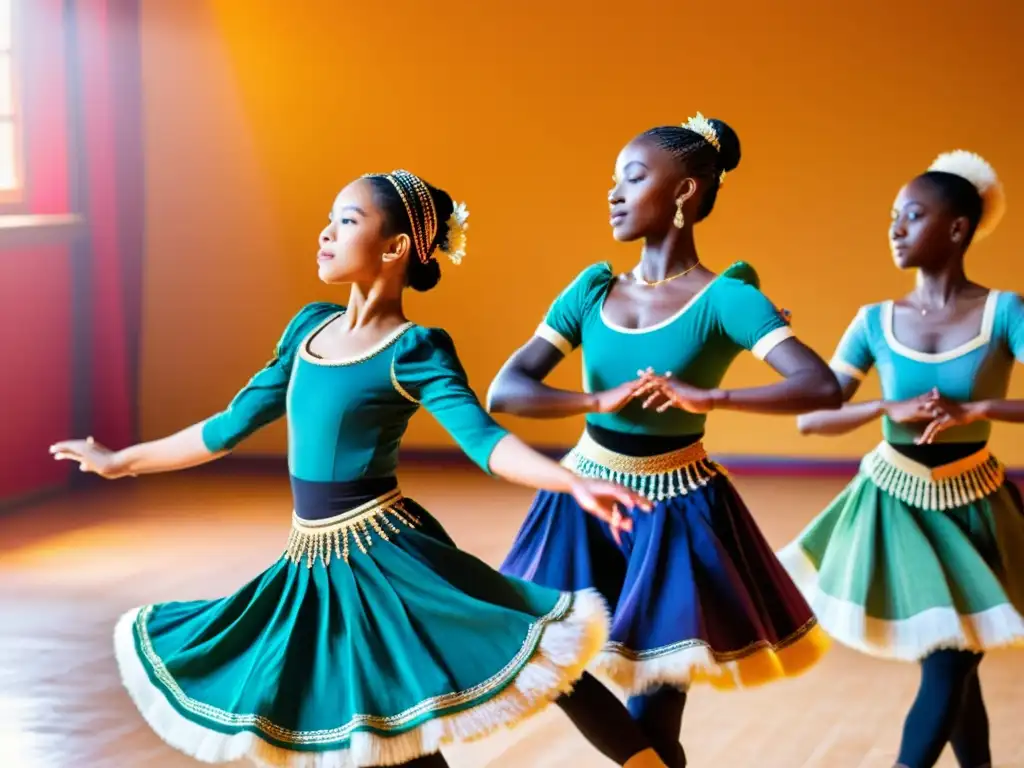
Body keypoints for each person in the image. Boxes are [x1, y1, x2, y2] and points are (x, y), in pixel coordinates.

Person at [50, 170, 671, 768]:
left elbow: (484, 441)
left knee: (531, 655)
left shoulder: (414, 349)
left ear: (396, 247)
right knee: (382, 729)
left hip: (386, 552)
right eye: (329, 219)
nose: (325, 232)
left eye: (346, 221)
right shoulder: (306, 332)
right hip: (312, 560)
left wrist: (573, 480)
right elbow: (225, 430)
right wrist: (121, 461)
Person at [487, 114, 841, 767]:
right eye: (614, 181)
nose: (613, 194)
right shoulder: (593, 290)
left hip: (677, 508)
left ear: (683, 192)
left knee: (656, 707)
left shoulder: (727, 299)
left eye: (633, 177)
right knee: (542, 654)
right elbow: (505, 392)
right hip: (585, 496)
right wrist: (595, 399)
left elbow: (820, 386)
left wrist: (713, 397)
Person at [780, 150, 1024, 768]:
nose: (895, 228)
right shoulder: (872, 322)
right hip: (894, 506)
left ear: (957, 228)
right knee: (949, 659)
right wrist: (886, 407)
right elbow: (813, 416)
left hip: (976, 505)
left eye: (912, 216)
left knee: (952, 659)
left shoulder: (1006, 313)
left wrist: (978, 412)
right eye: (893, 216)